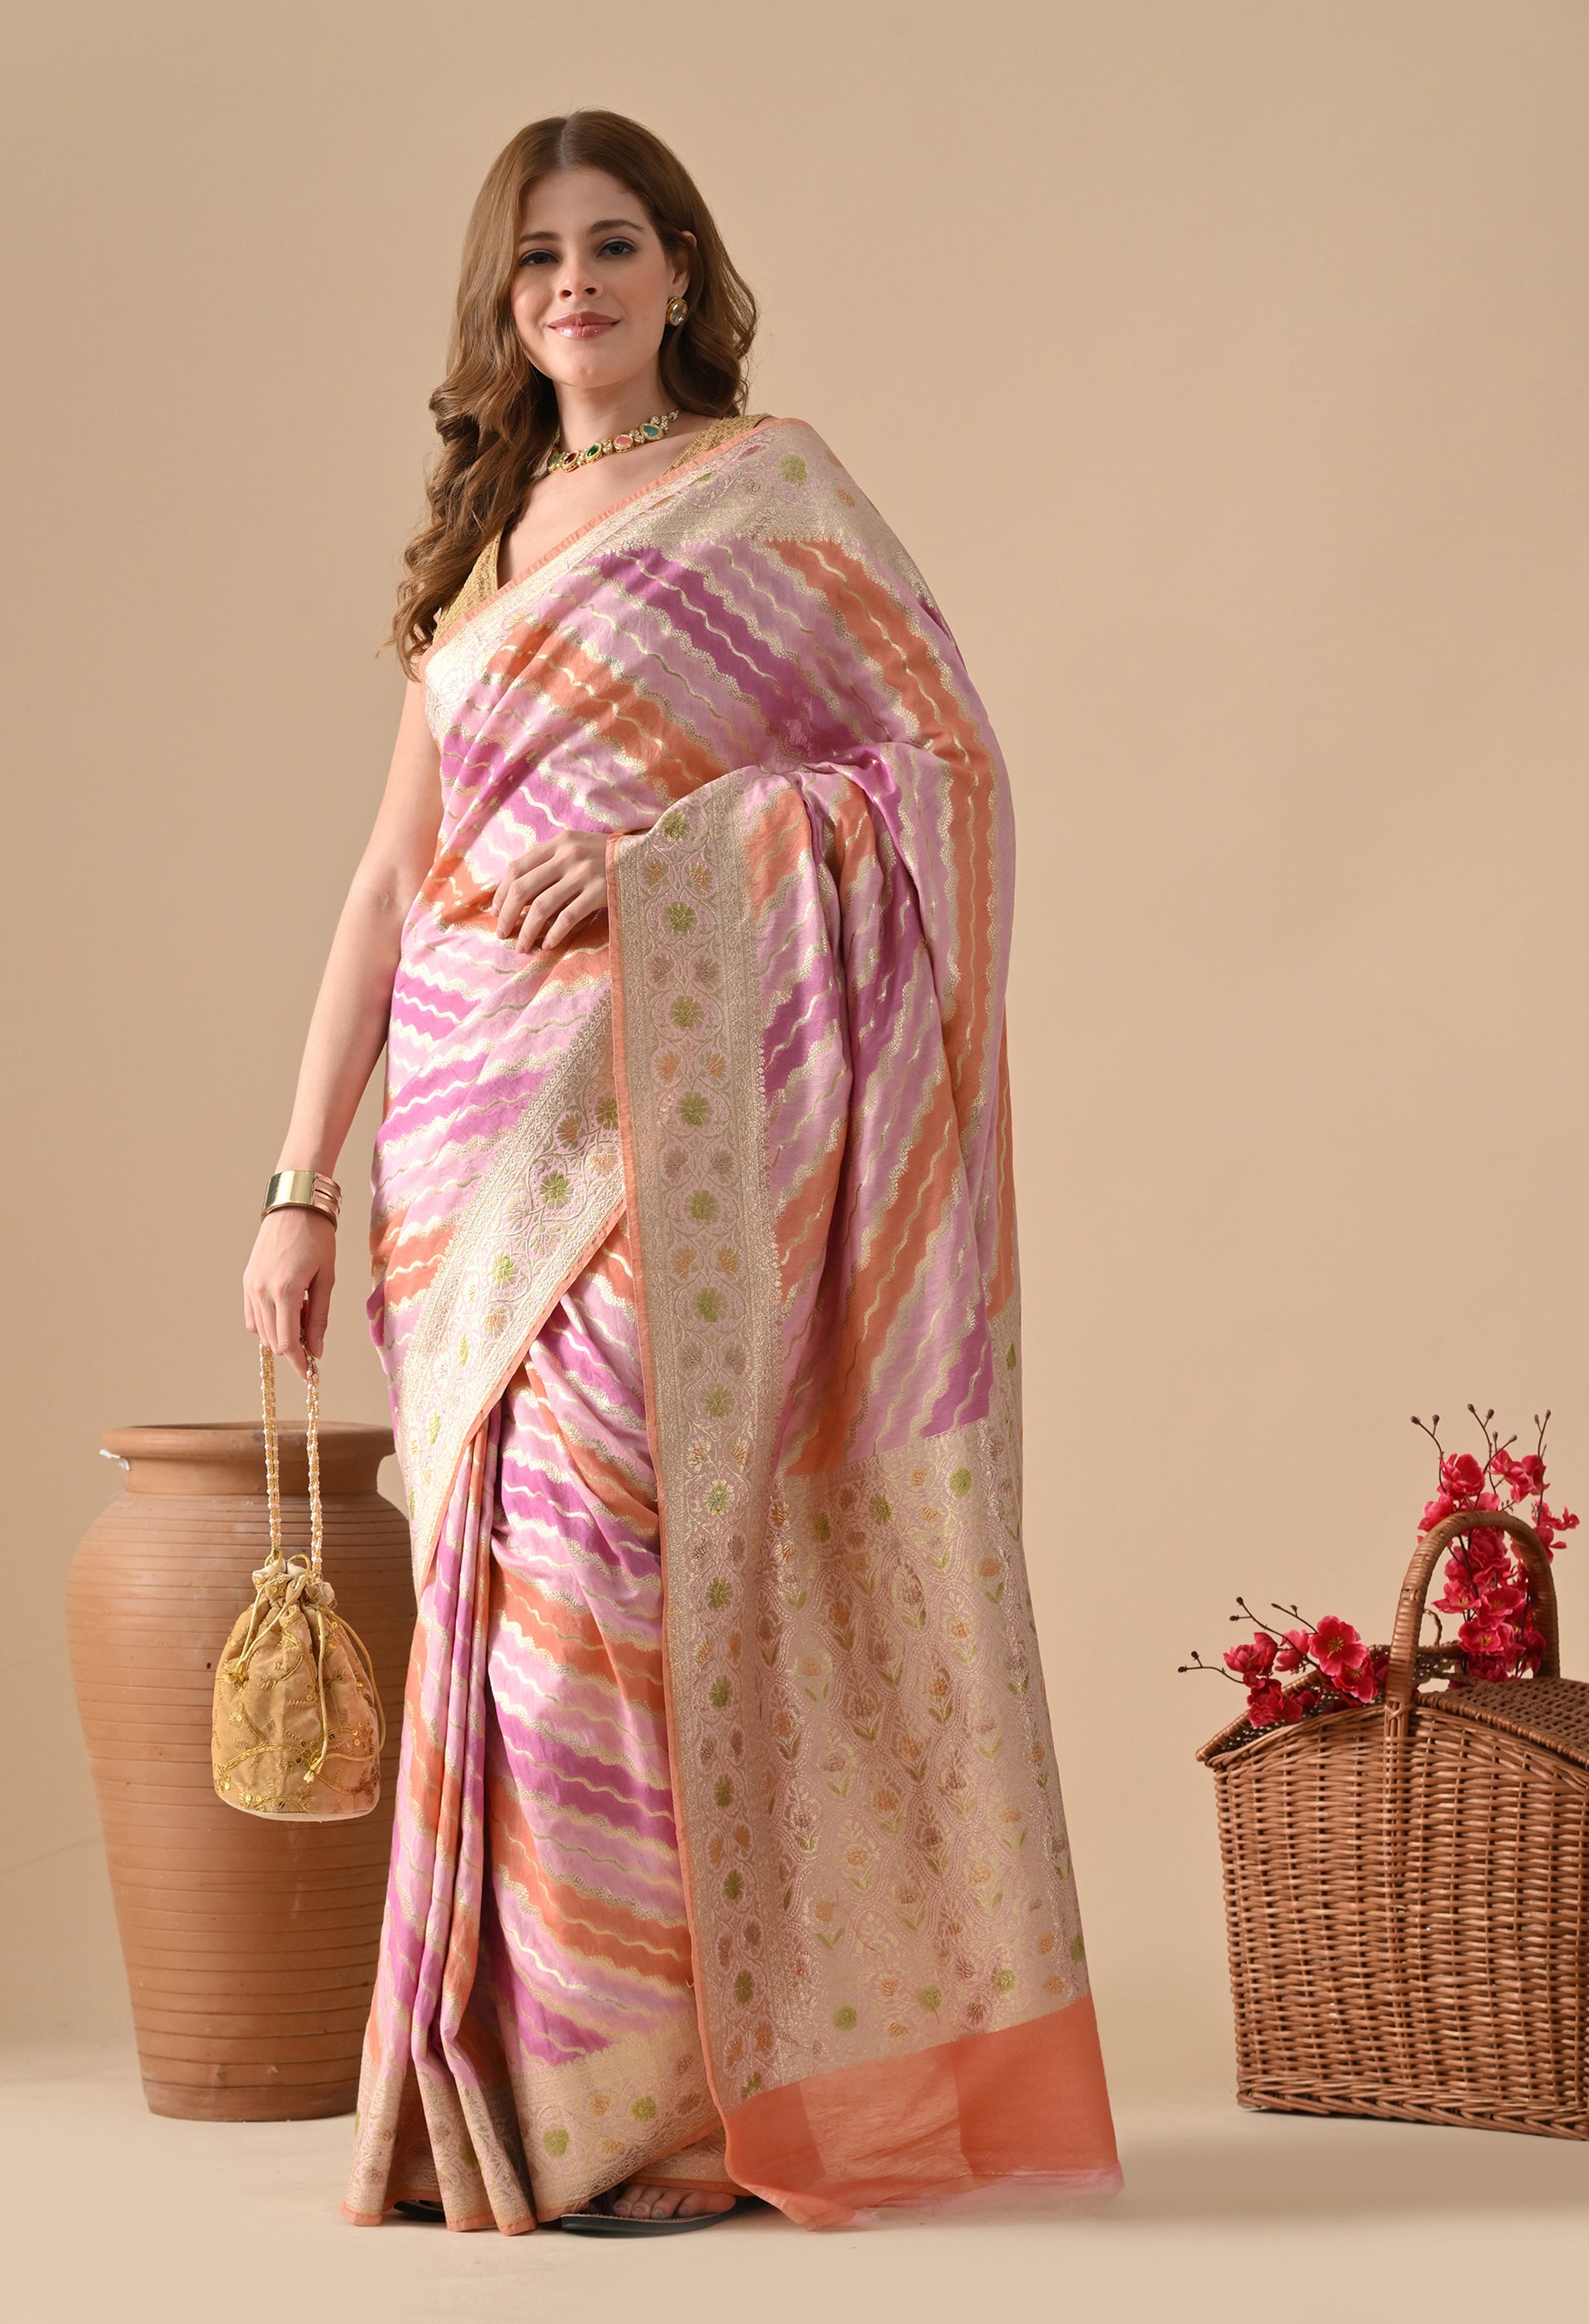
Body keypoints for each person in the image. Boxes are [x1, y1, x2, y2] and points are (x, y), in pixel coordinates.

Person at [243, 108, 1120, 2236]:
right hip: (470, 1134)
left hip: (672, 1130)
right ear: (501, 300)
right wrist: (297, 1181)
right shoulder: (478, 548)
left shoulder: (771, 495)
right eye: (538, 255)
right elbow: (386, 882)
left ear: (679, 271)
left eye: (615, 244)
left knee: (617, 1591)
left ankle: (663, 2111)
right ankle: (535, 2113)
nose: (577, 286)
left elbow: (940, 780)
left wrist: (663, 871)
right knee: (501, 1603)